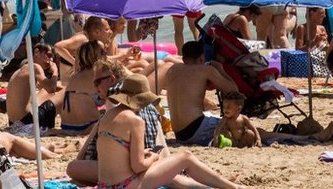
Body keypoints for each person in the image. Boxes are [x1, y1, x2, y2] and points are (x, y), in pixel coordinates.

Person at [96, 73, 245, 189]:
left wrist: (144, 154)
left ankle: (216, 185)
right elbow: (138, 166)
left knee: (170, 174)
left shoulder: (107, 116)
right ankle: (232, 187)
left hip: (105, 186)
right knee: (186, 157)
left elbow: (116, 155)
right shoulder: (135, 121)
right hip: (126, 185)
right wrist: (153, 157)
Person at [167, 41, 237, 146]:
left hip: (179, 134)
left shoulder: (172, 69)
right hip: (196, 127)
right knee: (238, 124)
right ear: (201, 58)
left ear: (183, 59)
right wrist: (220, 69)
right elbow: (234, 90)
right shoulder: (206, 70)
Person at [6, 42, 61, 134]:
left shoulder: (24, 68)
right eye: (49, 55)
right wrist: (55, 71)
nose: (51, 60)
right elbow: (51, 88)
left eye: (52, 57)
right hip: (27, 122)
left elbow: (44, 88)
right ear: (36, 52)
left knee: (47, 92)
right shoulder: (35, 67)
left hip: (14, 123)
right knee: (63, 93)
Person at [59, 41, 108, 134]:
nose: (106, 54)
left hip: (66, 126)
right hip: (86, 127)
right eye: (102, 52)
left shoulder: (76, 74)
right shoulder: (97, 73)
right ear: (93, 56)